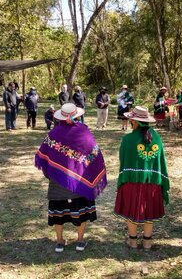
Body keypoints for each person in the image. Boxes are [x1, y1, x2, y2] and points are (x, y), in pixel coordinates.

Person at [35, 103, 107, 253]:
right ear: (77, 116)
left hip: (57, 181)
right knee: (81, 210)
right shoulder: (84, 131)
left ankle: (60, 242)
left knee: (58, 211)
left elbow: (45, 157)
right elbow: (94, 154)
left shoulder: (53, 134)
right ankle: (80, 241)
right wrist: (88, 173)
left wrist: (52, 174)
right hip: (80, 181)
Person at [114, 106, 169, 250]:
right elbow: (160, 160)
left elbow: (123, 158)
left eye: (132, 119)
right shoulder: (156, 138)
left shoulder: (128, 139)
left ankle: (132, 241)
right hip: (152, 182)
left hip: (131, 181)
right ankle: (147, 242)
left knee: (131, 209)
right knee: (149, 209)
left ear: (135, 122)